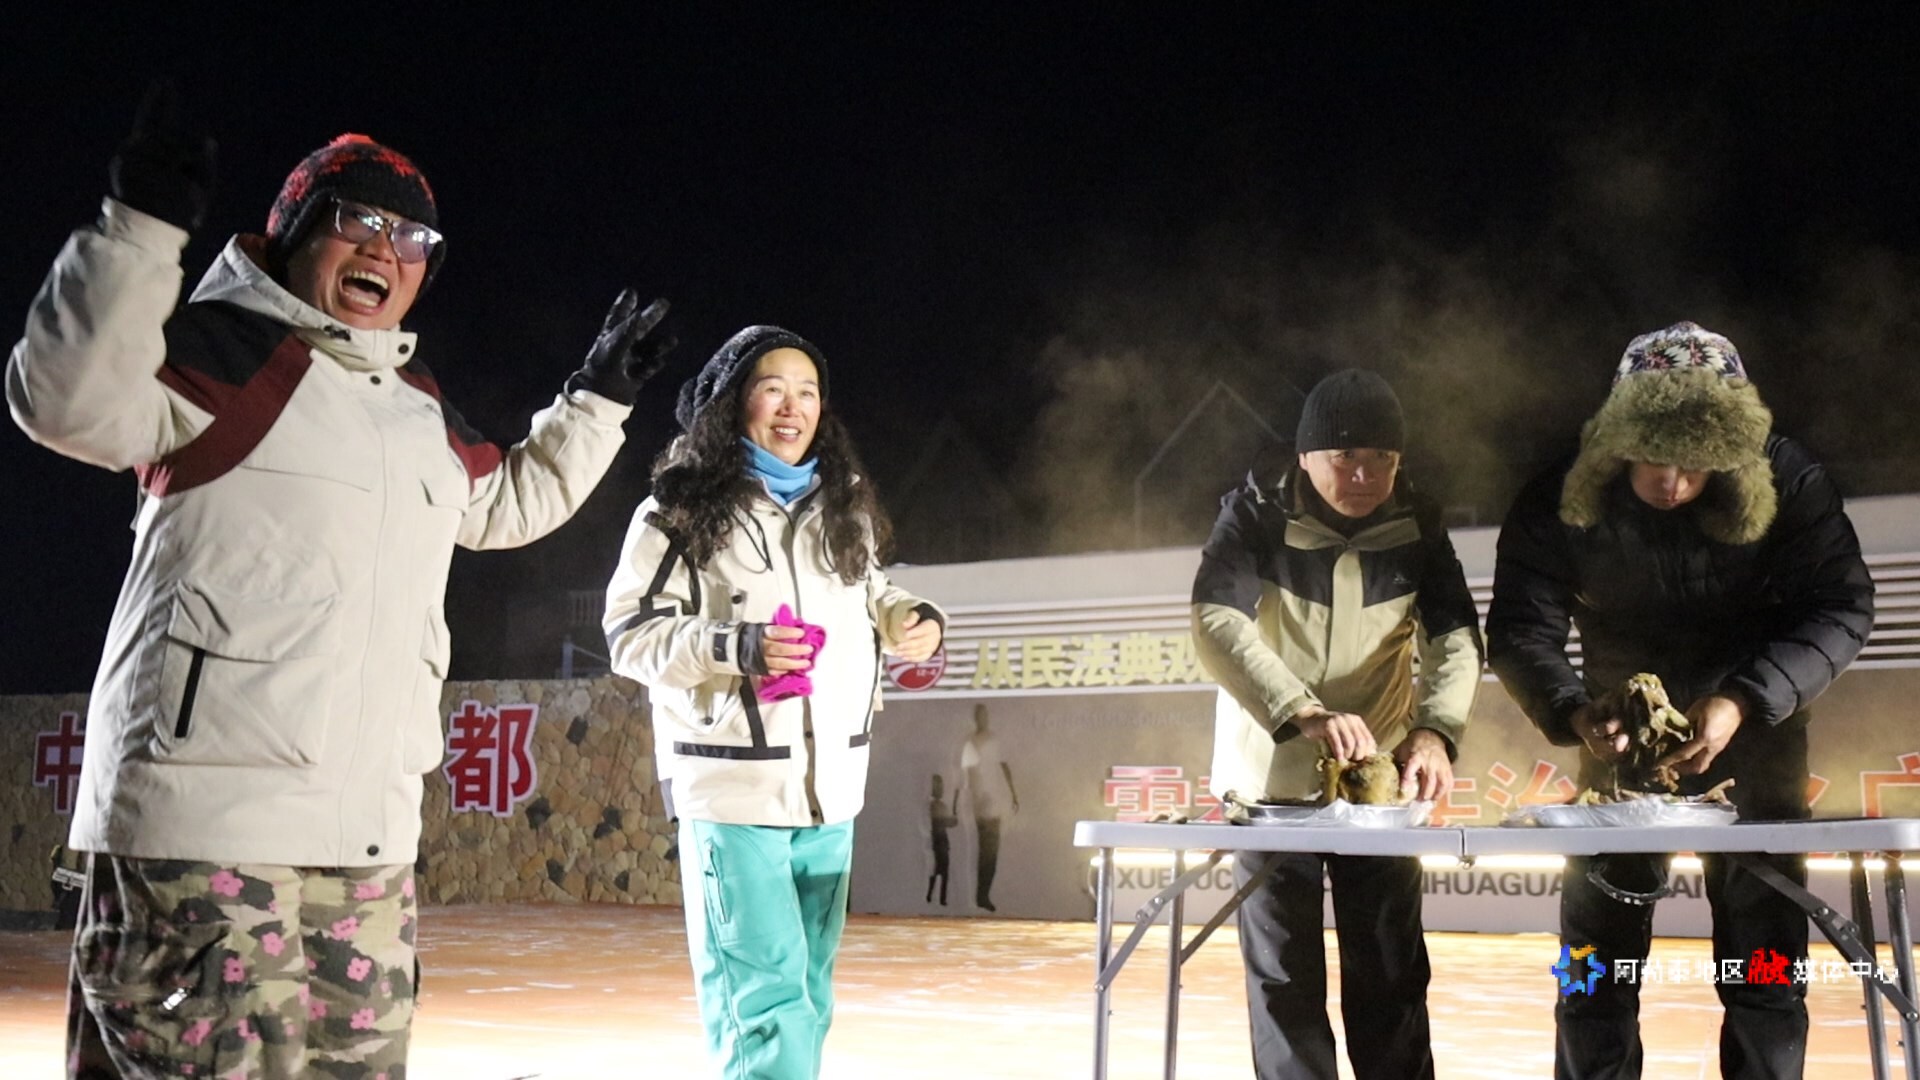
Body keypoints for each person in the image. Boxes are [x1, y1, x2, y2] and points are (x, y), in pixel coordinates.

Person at [7, 87, 675, 1079]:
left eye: (412, 238)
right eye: (357, 220)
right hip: (200, 838)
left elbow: (504, 504)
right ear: (296, 230)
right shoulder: (223, 351)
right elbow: (65, 399)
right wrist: (139, 228)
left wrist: (598, 398)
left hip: (365, 845)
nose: (384, 249)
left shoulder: (411, 405)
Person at [1486, 321, 1874, 1080]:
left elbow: (1842, 605)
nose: (1672, 481)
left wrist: (1745, 698)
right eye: (1655, 456)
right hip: (1618, 739)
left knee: (1766, 969)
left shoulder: (1786, 478)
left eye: (1697, 463)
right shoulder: (1562, 494)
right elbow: (1521, 626)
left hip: (1754, 733)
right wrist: (1572, 710)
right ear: (1618, 443)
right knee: (1592, 968)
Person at [603, 326, 944, 1080]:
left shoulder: (843, 510)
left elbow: (873, 592)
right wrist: (737, 647)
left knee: (809, 998)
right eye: (773, 389)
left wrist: (908, 616)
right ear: (733, 403)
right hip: (733, 791)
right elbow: (630, 635)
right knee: (763, 1002)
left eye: (808, 392)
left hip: (832, 795)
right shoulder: (677, 511)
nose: (794, 408)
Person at [1191, 369, 1483, 1080]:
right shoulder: (1255, 515)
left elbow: (1455, 639)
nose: (1363, 475)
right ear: (1305, 457)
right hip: (1270, 789)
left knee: (1390, 972)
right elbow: (1216, 621)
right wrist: (1303, 711)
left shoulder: (1418, 528)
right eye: (1344, 457)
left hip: (1377, 790)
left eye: (1381, 459)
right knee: (1285, 981)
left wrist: (1436, 730)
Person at [955, 703, 1019, 912]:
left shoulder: (994, 740)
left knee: (992, 850)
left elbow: (1003, 765)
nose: (983, 718)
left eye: (985, 715)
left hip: (995, 798)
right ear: (975, 718)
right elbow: (967, 775)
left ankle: (983, 894)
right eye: (979, 715)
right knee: (986, 849)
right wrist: (974, 797)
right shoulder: (971, 742)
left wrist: (1013, 793)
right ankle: (981, 895)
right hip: (982, 800)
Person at [926, 774, 957, 906]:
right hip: (937, 842)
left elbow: (949, 823)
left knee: (941, 872)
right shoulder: (933, 805)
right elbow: (943, 821)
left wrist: (953, 819)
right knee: (937, 870)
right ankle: (932, 896)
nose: (941, 789)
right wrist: (952, 819)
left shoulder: (939, 805)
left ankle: (938, 898)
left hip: (942, 842)